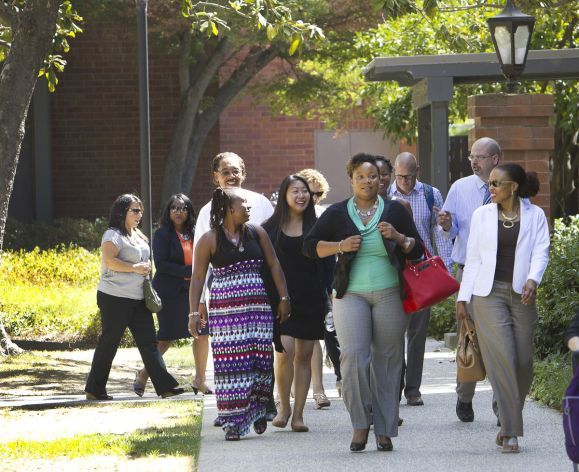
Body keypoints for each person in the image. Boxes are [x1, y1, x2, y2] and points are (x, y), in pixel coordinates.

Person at [304, 153, 423, 452]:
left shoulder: (395, 210)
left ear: (381, 179)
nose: (368, 181)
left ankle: (384, 428)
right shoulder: (337, 213)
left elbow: (417, 249)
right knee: (354, 356)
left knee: (388, 359)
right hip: (350, 294)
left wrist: (398, 237)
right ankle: (360, 423)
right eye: (361, 176)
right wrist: (339, 246)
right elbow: (309, 246)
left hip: (389, 293)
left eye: (373, 176)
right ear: (351, 179)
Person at [456, 163, 549, 453]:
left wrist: (533, 280)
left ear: (514, 187)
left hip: (522, 294)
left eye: (497, 183)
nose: (491, 188)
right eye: (490, 183)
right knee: (504, 359)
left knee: (523, 364)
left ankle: (508, 417)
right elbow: (473, 259)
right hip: (487, 294)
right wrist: (463, 298)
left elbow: (541, 250)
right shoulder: (482, 215)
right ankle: (510, 431)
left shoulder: (535, 216)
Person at [188, 188, 290, 441]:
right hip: (225, 314)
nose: (248, 207)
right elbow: (198, 276)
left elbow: (274, 264)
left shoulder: (257, 232)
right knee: (231, 364)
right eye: (242, 204)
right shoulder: (210, 239)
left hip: (258, 309)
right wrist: (193, 311)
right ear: (227, 210)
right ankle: (233, 420)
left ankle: (257, 411)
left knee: (260, 359)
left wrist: (284, 298)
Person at [193, 152, 275, 421]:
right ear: (215, 176)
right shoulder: (207, 212)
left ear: (244, 172)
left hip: (259, 290)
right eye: (225, 171)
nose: (231, 176)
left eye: (235, 170)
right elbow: (200, 263)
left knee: (260, 351)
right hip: (225, 296)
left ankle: (260, 406)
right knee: (229, 353)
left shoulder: (261, 203)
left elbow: (274, 251)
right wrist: (200, 302)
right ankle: (230, 408)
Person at [85, 194, 184, 400]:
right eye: (135, 210)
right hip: (114, 297)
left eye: (141, 211)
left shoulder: (138, 235)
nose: (139, 215)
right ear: (122, 212)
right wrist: (134, 268)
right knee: (109, 342)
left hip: (139, 299)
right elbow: (109, 261)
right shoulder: (112, 235)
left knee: (149, 342)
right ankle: (94, 390)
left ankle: (165, 387)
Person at [437, 137, 501, 422]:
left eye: (481, 157)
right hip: (469, 272)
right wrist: (447, 226)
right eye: (471, 156)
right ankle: (465, 397)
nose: (474, 161)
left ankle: (503, 405)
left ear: (495, 159)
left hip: (501, 272)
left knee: (500, 339)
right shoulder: (460, 188)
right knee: (469, 336)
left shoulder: (511, 186)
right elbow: (449, 232)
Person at [263, 175, 329, 432]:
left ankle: (299, 414)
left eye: (305, 191)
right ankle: (284, 407)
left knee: (304, 355)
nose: (301, 196)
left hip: (311, 298)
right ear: (284, 195)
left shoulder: (318, 227)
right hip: (281, 300)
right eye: (295, 191)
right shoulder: (270, 228)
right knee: (284, 352)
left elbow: (328, 264)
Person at [388, 152, 453, 407]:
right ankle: (395, 384)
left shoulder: (431, 194)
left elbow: (439, 232)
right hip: (393, 270)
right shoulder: (386, 196)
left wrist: (445, 269)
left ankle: (413, 389)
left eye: (409, 175)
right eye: (400, 175)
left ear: (418, 171)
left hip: (421, 270)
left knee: (417, 333)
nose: (404, 180)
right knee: (393, 332)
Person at [133, 194, 203, 396]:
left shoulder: (196, 233)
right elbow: (162, 265)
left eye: (183, 208)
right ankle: (144, 373)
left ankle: (199, 380)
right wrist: (190, 271)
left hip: (193, 292)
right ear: (168, 212)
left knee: (200, 333)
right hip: (169, 292)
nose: (179, 212)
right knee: (166, 336)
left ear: (189, 212)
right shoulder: (162, 234)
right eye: (174, 208)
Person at [296, 168, 337, 405]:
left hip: (318, 281)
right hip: (293, 283)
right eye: (307, 192)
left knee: (314, 337)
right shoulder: (286, 218)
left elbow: (330, 255)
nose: (312, 198)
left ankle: (319, 389)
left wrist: (330, 287)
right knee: (291, 341)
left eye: (317, 193)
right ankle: (291, 388)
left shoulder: (324, 215)